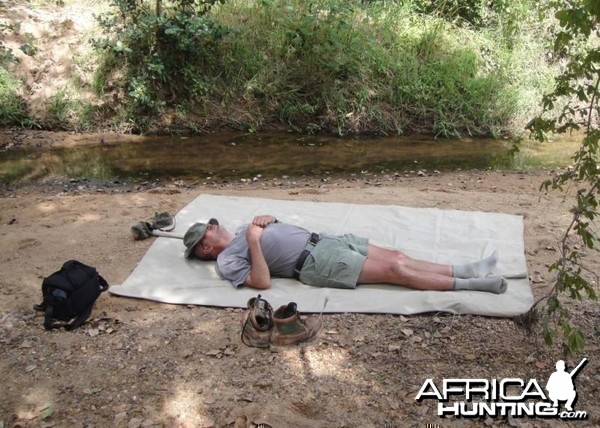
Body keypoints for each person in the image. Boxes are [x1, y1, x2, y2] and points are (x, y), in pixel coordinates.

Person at [183, 215, 507, 294]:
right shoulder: (226, 261)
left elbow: (278, 232)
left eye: (210, 223)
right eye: (207, 229)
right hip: (314, 263)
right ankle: (472, 285)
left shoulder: (243, 228)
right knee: (395, 269)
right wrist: (255, 241)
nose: (213, 225)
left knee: (397, 254)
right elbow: (262, 282)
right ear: (206, 247)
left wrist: (269, 219)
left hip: (326, 240)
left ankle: (465, 268)